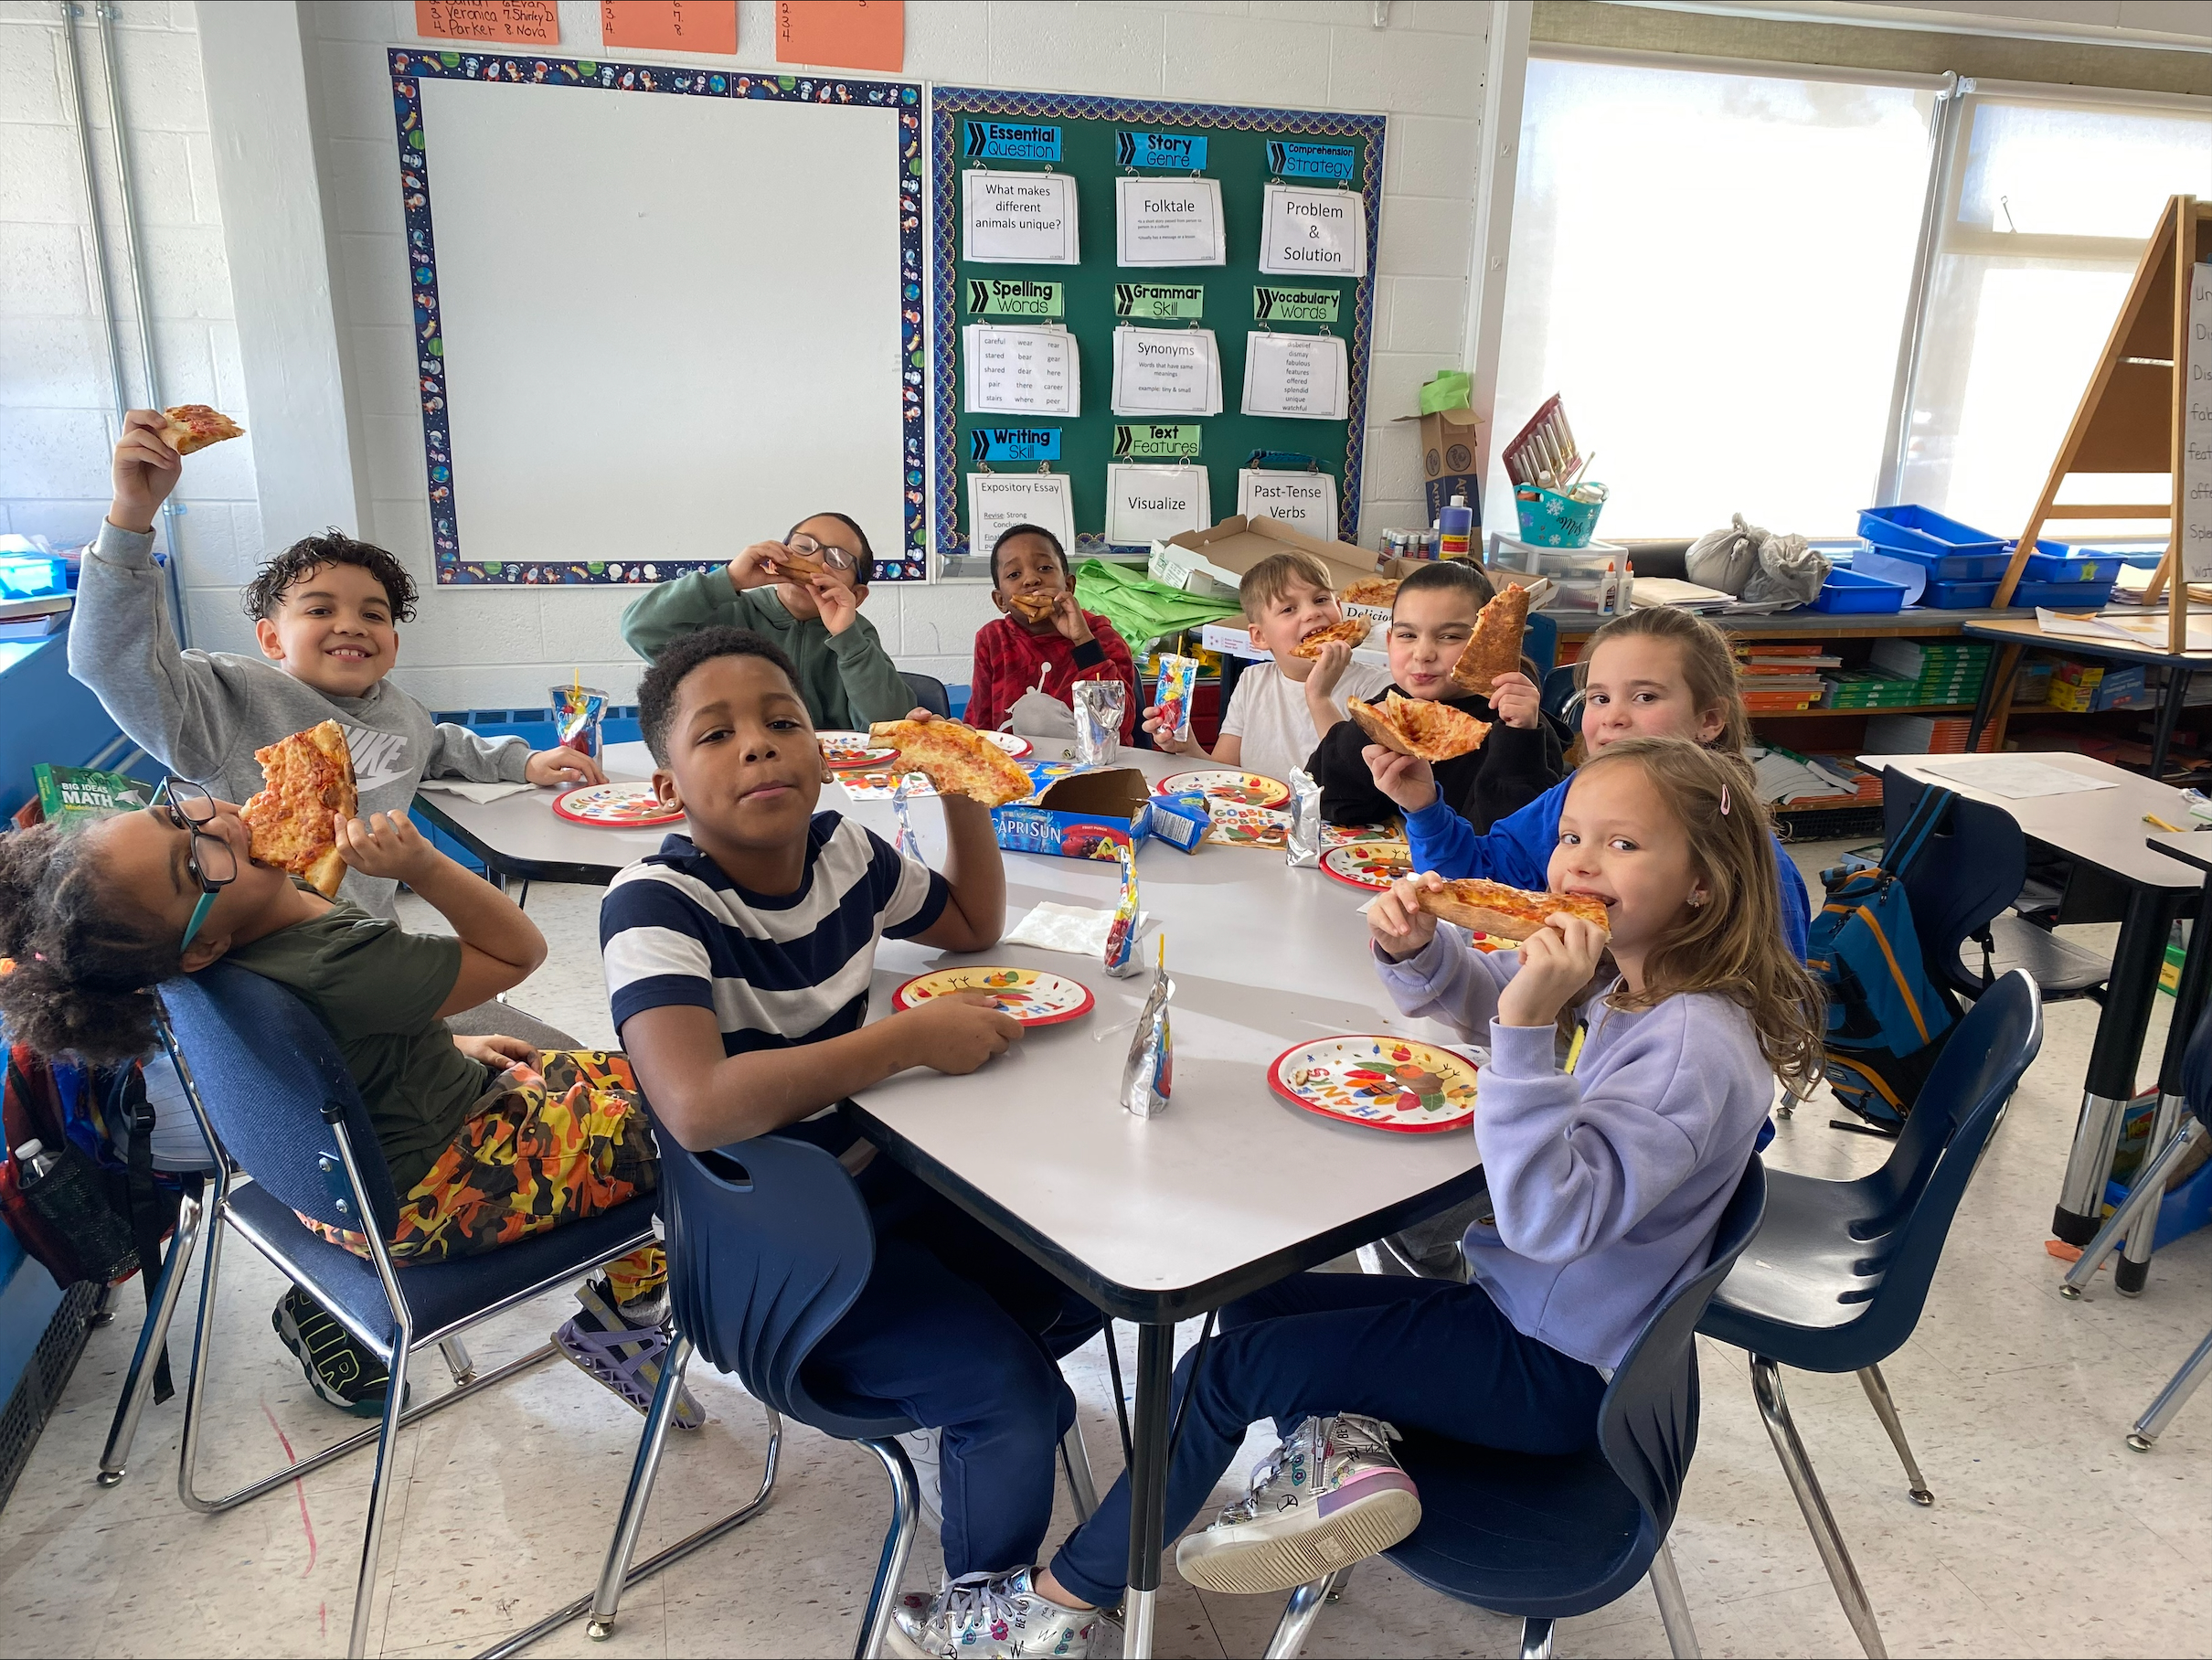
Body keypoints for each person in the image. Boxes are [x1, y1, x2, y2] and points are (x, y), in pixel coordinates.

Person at [890, 739, 1821, 1657]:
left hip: (1555, 1369)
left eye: (1622, 844)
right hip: (1531, 1312)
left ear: (1704, 881)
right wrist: (1421, 951)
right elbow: (1483, 988)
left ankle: (1052, 1610)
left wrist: (1528, 1028)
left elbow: (1547, 1216)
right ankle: (1340, 1452)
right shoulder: (1632, 975)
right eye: (1571, 832)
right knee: (1247, 1286)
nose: (1577, 860)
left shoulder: (1690, 1046)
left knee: (1217, 1375)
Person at [598, 625, 1101, 1596]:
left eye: (782, 721)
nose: (757, 743)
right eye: (715, 734)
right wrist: (904, 1042)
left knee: (1106, 1263)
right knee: (1009, 1393)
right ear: (666, 788)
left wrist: (958, 788)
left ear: (824, 755)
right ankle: (984, 1612)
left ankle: (992, 1402)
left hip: (879, 1198)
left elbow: (968, 926)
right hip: (764, 1253)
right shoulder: (653, 904)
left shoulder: (844, 852)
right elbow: (698, 1107)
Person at [0, 793, 685, 1425]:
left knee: (647, 1076)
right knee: (693, 1132)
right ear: (203, 944)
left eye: (175, 812)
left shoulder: (224, 950)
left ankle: (331, 1303)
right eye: (192, 859)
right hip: (444, 1181)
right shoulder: (336, 959)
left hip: (343, 1184)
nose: (211, 823)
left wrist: (452, 1038)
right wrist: (424, 865)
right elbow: (518, 951)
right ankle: (622, 1321)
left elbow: (338, 1039)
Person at [71, 410, 605, 919]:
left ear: (392, 647)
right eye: (321, 609)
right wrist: (131, 516)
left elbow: (438, 745)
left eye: (372, 614)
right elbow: (115, 662)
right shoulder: (228, 699)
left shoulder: (400, 711)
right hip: (256, 945)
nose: (350, 624)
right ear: (272, 639)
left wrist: (523, 762)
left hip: (366, 931)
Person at [1363, 603, 1812, 960]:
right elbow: (1478, 880)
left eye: (1645, 696)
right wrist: (1424, 808)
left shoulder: (1749, 857)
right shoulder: (1574, 798)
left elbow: (1773, 1010)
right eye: (1599, 697)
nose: (1614, 717)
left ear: (1709, 719)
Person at [1307, 560, 1569, 830]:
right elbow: (1326, 800)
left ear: (1487, 643)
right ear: (1389, 642)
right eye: (1407, 635)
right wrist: (1368, 730)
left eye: (1449, 637)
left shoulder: (1523, 728)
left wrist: (1519, 741)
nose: (1422, 653)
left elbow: (1515, 841)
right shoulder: (1392, 702)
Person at [619, 511, 910, 730]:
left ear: (856, 595)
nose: (815, 563)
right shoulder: (730, 614)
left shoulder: (857, 636)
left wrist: (848, 639)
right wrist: (728, 580)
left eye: (837, 558)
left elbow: (889, 726)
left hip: (827, 777)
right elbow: (641, 629)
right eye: (804, 546)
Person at [1142, 550, 1392, 782]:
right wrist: (1187, 748)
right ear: (1260, 636)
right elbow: (1225, 772)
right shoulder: (1253, 680)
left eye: (1321, 599)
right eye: (1288, 608)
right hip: (1259, 822)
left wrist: (1320, 696)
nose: (1312, 613)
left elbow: (1358, 782)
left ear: (1339, 608)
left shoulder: (1377, 687)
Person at [962, 524, 1137, 742]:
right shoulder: (992, 639)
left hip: (1092, 767)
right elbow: (980, 725)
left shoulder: (1100, 637)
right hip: (1017, 769)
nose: (1031, 580)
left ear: (1069, 586)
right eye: (1014, 574)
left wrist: (1083, 641)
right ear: (1000, 601)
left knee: (1035, 711)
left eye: (1044, 568)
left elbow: (1120, 725)